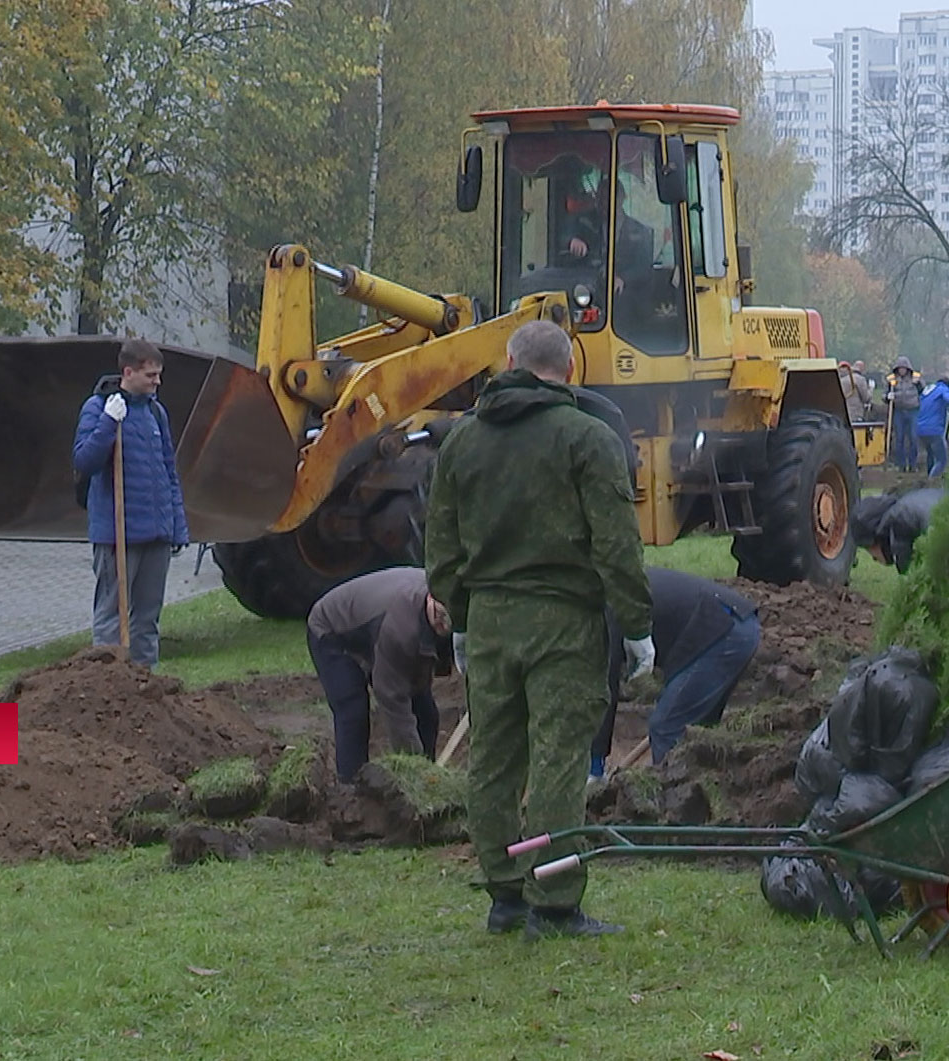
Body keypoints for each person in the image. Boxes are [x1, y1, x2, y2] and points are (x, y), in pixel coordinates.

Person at [426, 319, 654, 940]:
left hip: (491, 622)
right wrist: (636, 627)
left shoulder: (461, 441)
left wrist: (462, 622)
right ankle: (553, 903)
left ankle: (504, 896)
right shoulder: (588, 438)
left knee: (492, 758)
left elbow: (441, 545)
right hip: (564, 622)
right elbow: (616, 545)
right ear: (570, 370)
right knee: (558, 757)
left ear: (507, 361)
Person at [72, 338, 188, 668]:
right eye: (150, 375)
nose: (157, 382)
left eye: (158, 375)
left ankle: (145, 690)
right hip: (116, 535)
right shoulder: (97, 408)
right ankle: (107, 691)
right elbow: (84, 461)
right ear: (128, 372)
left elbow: (169, 470)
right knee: (111, 619)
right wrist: (109, 423)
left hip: (156, 535)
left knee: (147, 622)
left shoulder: (155, 412)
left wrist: (177, 527)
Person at [306, 567, 454, 780]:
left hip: (374, 629)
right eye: (439, 615)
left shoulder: (444, 598)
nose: (442, 623)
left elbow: (420, 680)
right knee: (353, 709)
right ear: (430, 598)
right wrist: (413, 773)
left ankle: (428, 779)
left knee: (426, 713)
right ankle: (351, 790)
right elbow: (393, 700)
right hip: (331, 630)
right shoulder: (400, 629)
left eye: (448, 621)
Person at [635, 567, 762, 765]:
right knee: (701, 725)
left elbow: (606, 685)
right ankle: (709, 783)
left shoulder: (609, 606)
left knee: (665, 726)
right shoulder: (624, 583)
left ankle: (672, 790)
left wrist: (596, 767)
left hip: (724, 633)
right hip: (739, 626)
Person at [852, 488, 943, 574]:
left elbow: (908, 572)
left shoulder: (898, 520)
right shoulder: (906, 501)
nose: (874, 559)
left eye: (874, 556)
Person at [884, 357, 922, 471]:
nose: (901, 370)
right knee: (899, 438)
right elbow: (884, 395)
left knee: (913, 437)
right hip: (898, 411)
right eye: (899, 368)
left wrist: (919, 385)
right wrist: (887, 397)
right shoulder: (891, 379)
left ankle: (913, 464)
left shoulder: (916, 378)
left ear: (908, 368)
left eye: (904, 368)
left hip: (913, 410)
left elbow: (923, 392)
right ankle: (901, 464)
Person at [915, 376, 949, 476]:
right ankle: (932, 481)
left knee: (931, 454)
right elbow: (948, 399)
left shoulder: (928, 391)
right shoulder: (943, 388)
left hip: (920, 430)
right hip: (934, 430)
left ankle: (929, 475)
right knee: (942, 460)